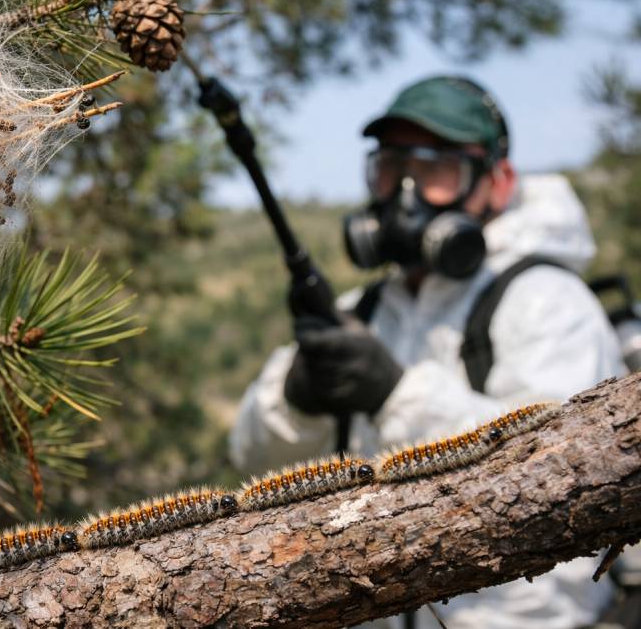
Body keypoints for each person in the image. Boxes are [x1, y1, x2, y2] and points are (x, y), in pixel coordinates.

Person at [229, 75, 627, 628]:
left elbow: (558, 479)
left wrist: (395, 394)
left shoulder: (549, 302)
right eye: (391, 164)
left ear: (499, 180)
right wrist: (295, 398)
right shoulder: (358, 310)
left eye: (437, 165)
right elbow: (249, 466)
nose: (407, 191)